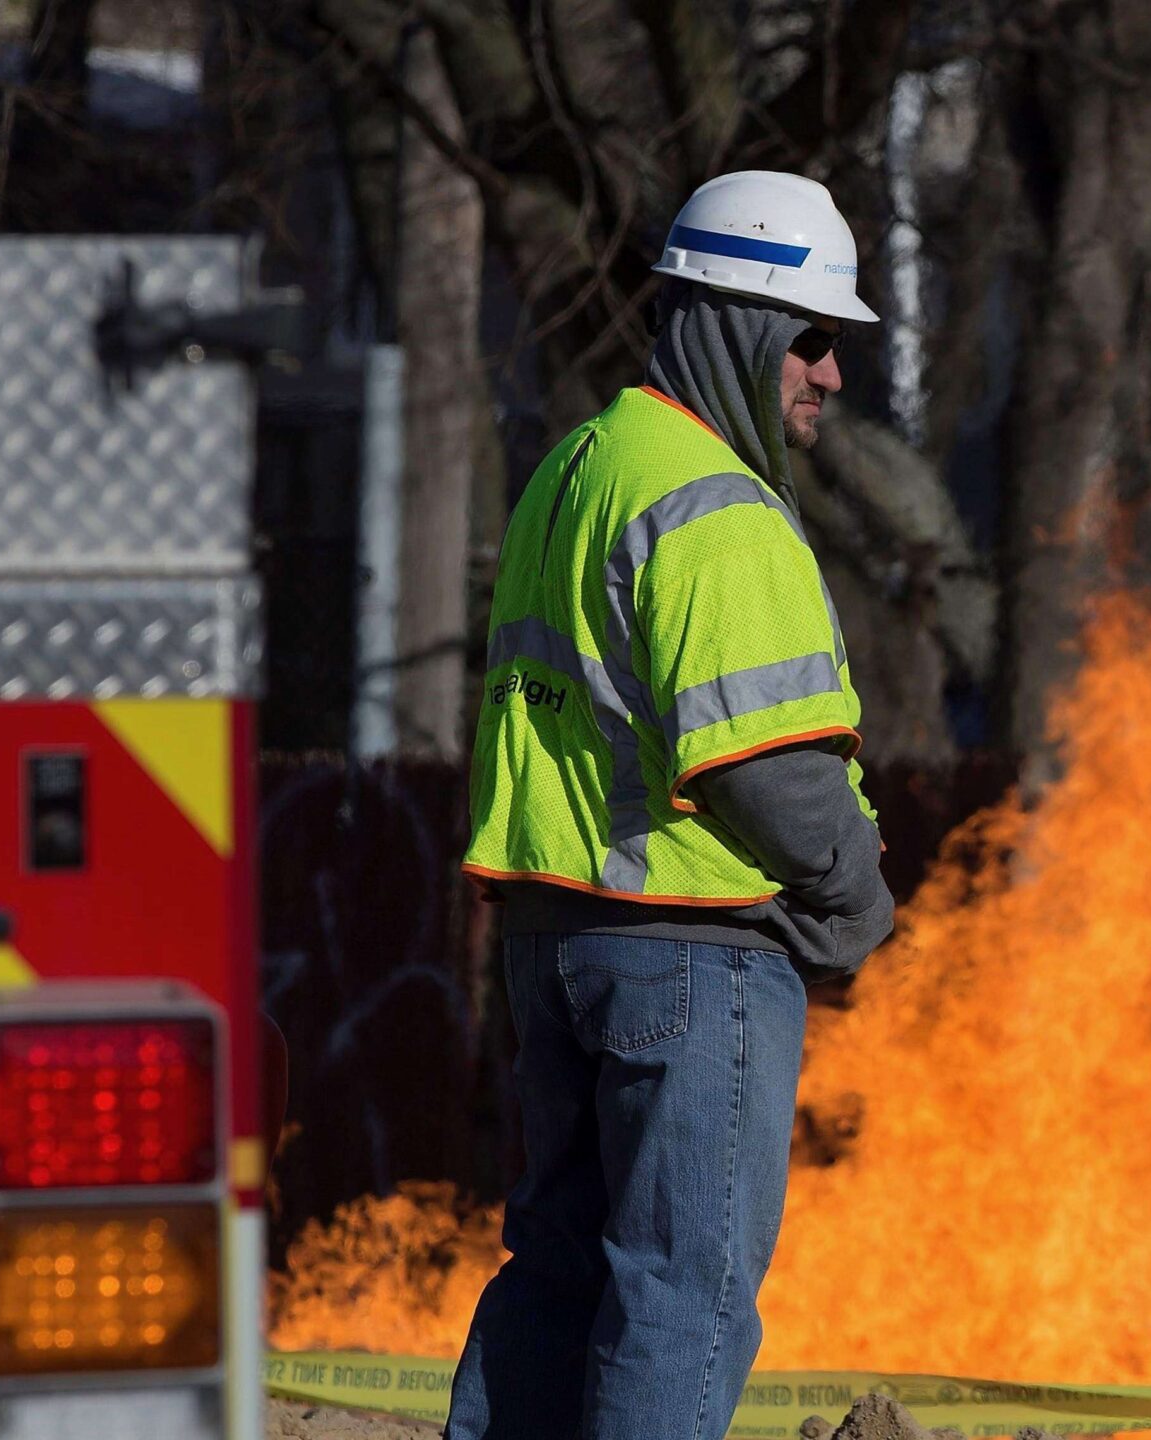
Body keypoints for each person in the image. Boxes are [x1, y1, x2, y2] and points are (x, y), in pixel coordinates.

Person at [444, 171, 896, 1440]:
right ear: (740, 324)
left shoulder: (577, 467)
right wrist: (855, 896)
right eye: (811, 337)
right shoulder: (716, 504)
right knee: (679, 1298)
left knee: (558, 1270)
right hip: (689, 955)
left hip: (557, 944)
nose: (829, 373)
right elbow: (768, 769)